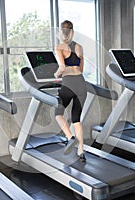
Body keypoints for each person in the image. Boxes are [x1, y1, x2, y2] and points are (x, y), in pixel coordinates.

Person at [54, 20, 87, 162]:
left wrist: (56, 76)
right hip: (81, 83)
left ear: (61, 31)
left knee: (58, 113)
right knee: (76, 119)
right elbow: (80, 69)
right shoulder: (79, 47)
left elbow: (62, 67)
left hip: (68, 84)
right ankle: (81, 152)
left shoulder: (60, 47)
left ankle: (70, 137)